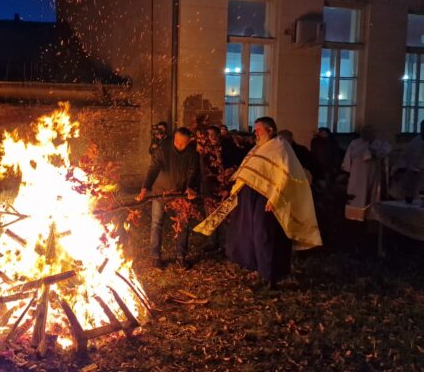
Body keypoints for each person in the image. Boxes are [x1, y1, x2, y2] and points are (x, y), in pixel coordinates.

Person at [195, 117, 321, 288]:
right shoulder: (259, 148)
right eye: (255, 130)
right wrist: (233, 191)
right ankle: (259, 270)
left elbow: (284, 176)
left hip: (267, 201)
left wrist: (274, 198)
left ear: (270, 130)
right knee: (249, 234)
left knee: (265, 236)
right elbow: (248, 173)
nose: (255, 133)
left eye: (258, 130)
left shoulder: (280, 147)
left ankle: (270, 277)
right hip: (250, 199)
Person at [136, 127, 200, 268]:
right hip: (161, 191)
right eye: (177, 142)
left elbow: (192, 172)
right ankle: (155, 256)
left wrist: (189, 187)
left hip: (180, 194)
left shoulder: (193, 154)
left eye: (183, 143)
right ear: (174, 138)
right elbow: (153, 169)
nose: (179, 145)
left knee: (183, 224)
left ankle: (180, 256)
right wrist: (144, 188)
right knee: (157, 223)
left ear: (189, 141)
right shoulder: (163, 149)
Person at [342, 125, 391, 221]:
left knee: (371, 195)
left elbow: (385, 152)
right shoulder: (355, 143)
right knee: (357, 196)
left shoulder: (379, 144)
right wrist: (347, 171)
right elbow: (348, 158)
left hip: (372, 174)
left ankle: (371, 216)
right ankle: (355, 216)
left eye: (370, 132)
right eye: (365, 132)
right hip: (357, 175)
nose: (367, 134)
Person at [390, 120, 424, 203]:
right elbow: (404, 158)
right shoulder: (415, 142)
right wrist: (398, 171)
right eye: (422, 128)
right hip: (412, 177)